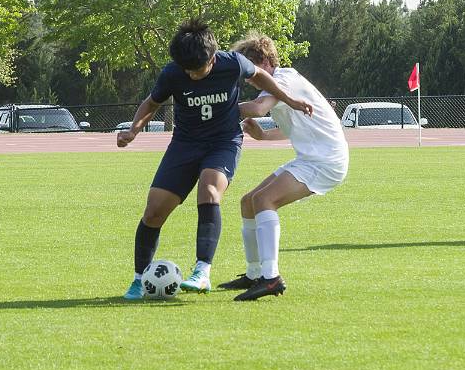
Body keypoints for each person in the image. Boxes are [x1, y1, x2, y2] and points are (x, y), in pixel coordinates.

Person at [118, 19, 313, 300]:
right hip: (185, 145)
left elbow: (261, 76)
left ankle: (202, 271)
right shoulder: (173, 73)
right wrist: (134, 129)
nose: (192, 75)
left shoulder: (232, 63)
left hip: (223, 142)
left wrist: (291, 100)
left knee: (209, 190)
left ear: (212, 58)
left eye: (198, 70)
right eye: (188, 70)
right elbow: (151, 103)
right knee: (154, 211)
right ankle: (139, 279)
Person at [218, 33, 349, 301]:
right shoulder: (280, 83)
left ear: (265, 61)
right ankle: (255, 274)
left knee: (264, 200)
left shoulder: (283, 80)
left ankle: (271, 278)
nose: (250, 79)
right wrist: (263, 136)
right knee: (248, 202)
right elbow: (292, 127)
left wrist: (216, 107)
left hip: (326, 161)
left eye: (252, 71)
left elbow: (258, 108)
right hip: (313, 158)